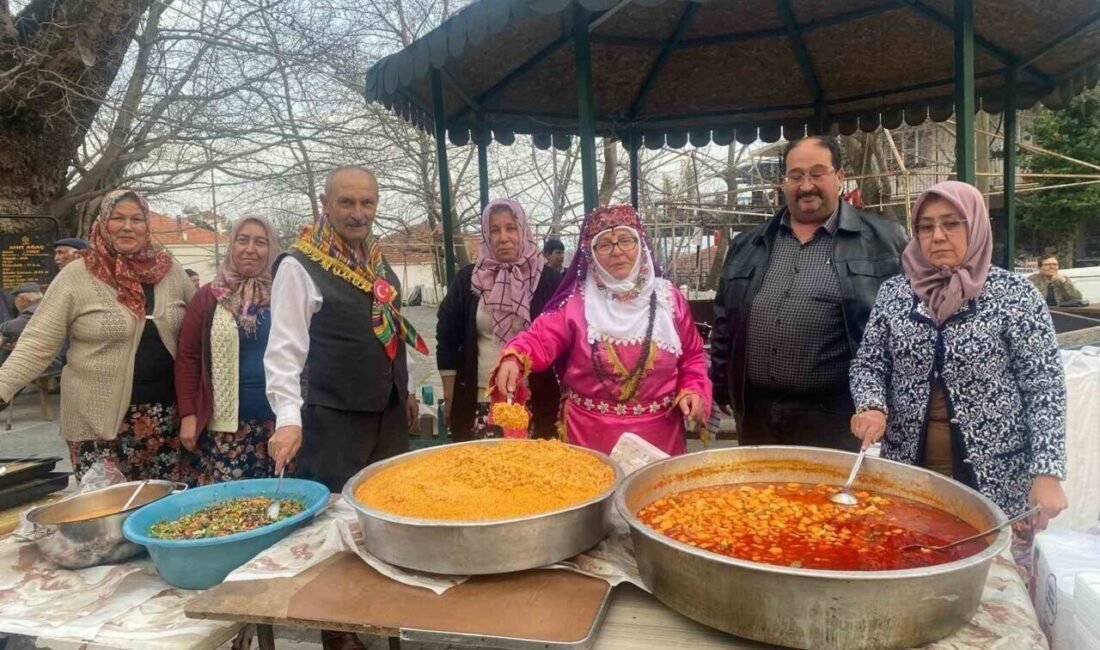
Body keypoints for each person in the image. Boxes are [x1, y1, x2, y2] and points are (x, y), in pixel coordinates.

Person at [850, 181, 1067, 534]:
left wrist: (1047, 471)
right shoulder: (895, 294)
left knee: (993, 581)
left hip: (996, 479)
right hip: (911, 474)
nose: (937, 235)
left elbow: (1045, 389)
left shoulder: (1014, 296)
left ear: (976, 226)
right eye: (926, 226)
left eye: (951, 223)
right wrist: (871, 405)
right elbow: (869, 363)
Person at [710, 136, 907, 451]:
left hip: (837, 419)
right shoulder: (748, 244)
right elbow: (724, 323)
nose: (806, 186)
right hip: (757, 415)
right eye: (796, 176)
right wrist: (720, 387)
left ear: (840, 177)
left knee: (828, 499)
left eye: (817, 174)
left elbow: (903, 331)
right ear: (783, 182)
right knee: (755, 498)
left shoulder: (884, 242)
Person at [0, 190, 194, 481]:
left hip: (166, 423)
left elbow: (202, 329)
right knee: (107, 519)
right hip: (97, 425)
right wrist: (2, 388)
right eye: (118, 218)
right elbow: (37, 343)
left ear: (146, 225)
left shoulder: (170, 272)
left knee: (163, 517)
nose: (128, 226)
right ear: (103, 223)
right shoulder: (76, 276)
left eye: (136, 219)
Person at [492, 205, 710, 455]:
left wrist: (693, 389)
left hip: (660, 439)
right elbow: (540, 339)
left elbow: (693, 357)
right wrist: (514, 356)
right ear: (591, 254)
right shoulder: (576, 303)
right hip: (589, 440)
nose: (617, 252)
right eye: (605, 244)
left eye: (626, 241)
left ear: (641, 246)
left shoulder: (668, 299)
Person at [437, 199, 561, 440]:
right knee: (482, 473)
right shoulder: (468, 279)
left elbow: (560, 338)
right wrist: (450, 394)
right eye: (495, 230)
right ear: (486, 235)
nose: (503, 237)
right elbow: (447, 337)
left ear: (523, 230)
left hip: (535, 400)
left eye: (510, 228)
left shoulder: (548, 280)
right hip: (480, 398)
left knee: (534, 475)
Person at [176, 216, 281, 484]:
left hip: (280, 423)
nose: (250, 249)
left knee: (283, 502)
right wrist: (189, 414)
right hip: (227, 428)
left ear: (272, 249)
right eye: (242, 240)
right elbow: (189, 358)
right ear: (231, 245)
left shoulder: (285, 292)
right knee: (234, 510)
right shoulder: (208, 297)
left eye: (260, 242)